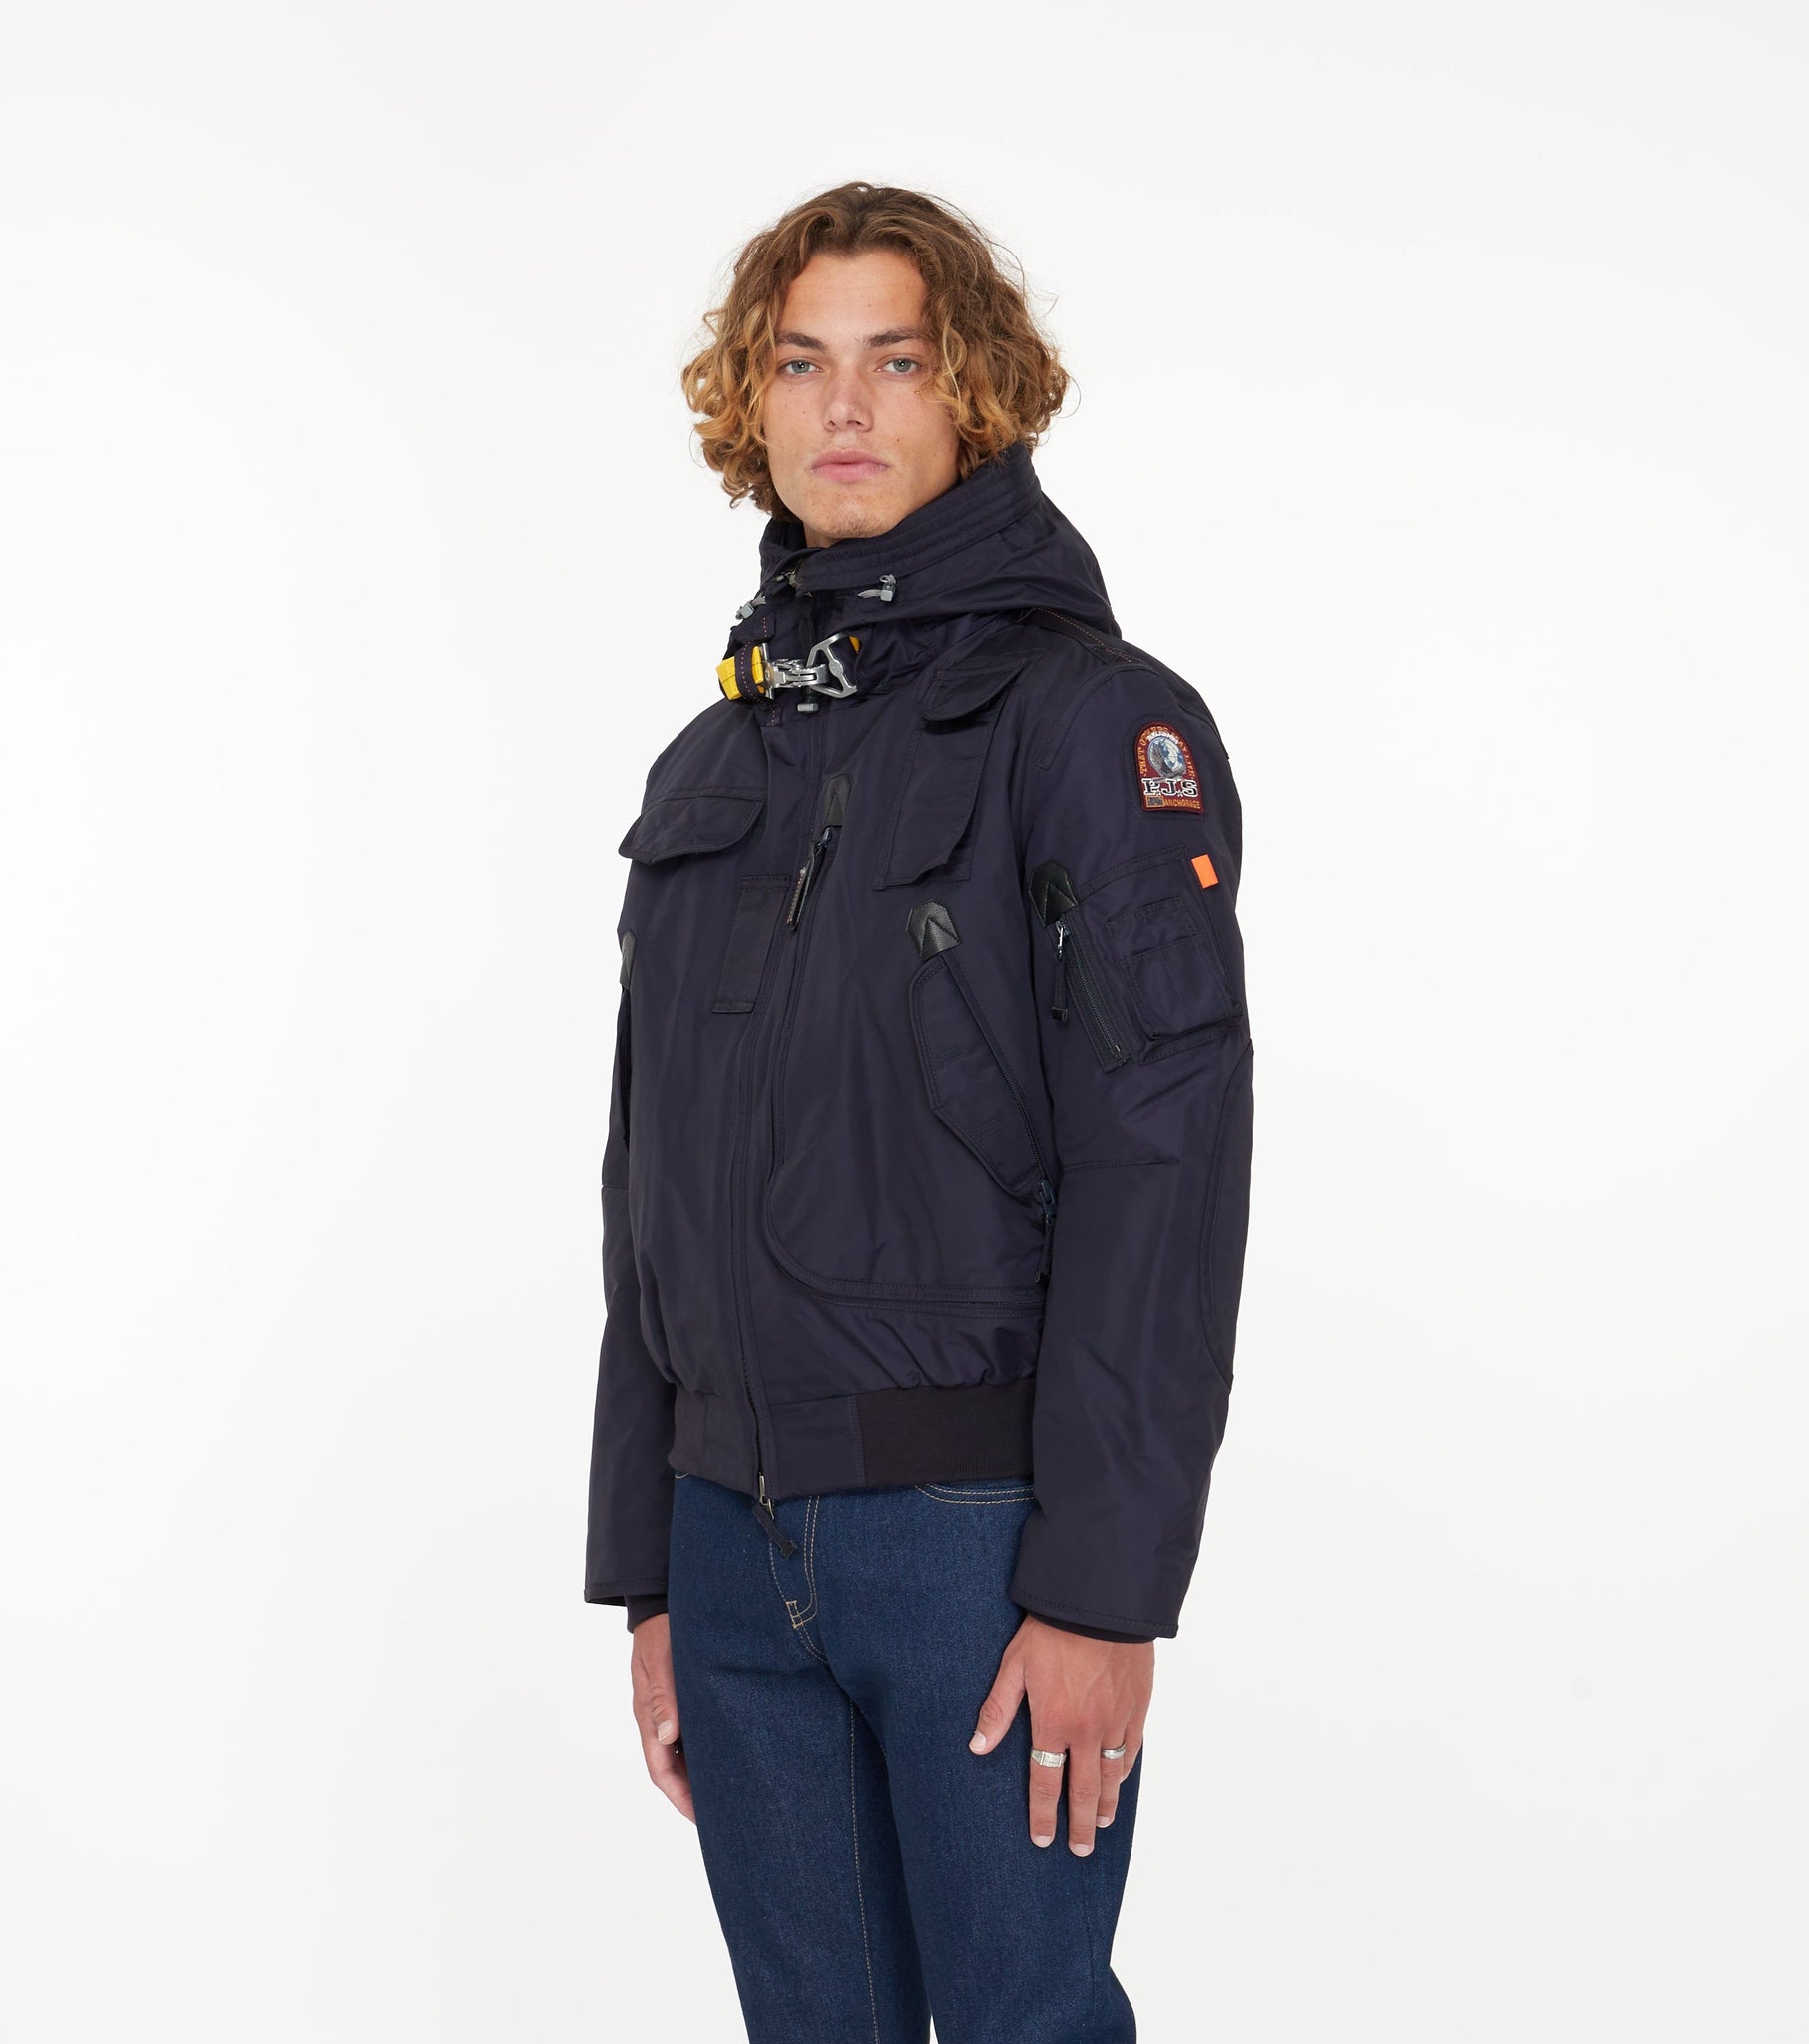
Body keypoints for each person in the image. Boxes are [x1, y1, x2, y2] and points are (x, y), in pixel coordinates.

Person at [583, 181, 1255, 2043]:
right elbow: (651, 1172)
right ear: (753, 399)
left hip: (975, 1538)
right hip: (730, 1540)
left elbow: (1167, 1159)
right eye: (802, 363)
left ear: (977, 393)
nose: (846, 406)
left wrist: (1107, 1592)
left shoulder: (1092, 723)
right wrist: (649, 1568)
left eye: (896, 360)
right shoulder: (717, 755)